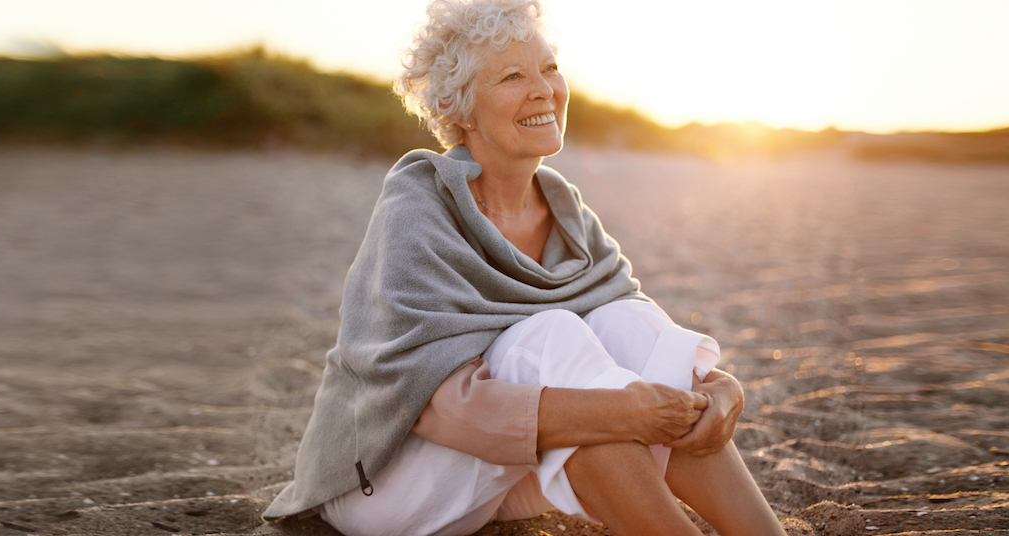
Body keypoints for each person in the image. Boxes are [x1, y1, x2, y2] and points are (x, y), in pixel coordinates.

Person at [262, 1, 786, 535]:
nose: (544, 89)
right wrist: (624, 414)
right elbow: (435, 408)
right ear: (459, 108)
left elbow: (644, 343)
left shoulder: (564, 209)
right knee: (550, 334)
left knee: (623, 319)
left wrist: (720, 391)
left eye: (550, 68)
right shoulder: (418, 208)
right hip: (384, 482)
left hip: (502, 477)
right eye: (513, 76)